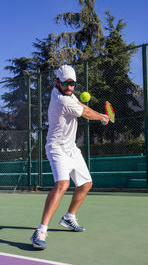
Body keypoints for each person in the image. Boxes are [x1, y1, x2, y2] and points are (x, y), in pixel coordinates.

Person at [30, 65, 110, 249]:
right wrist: (101, 117)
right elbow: (86, 113)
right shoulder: (60, 99)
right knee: (63, 184)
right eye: (66, 83)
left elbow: (80, 105)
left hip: (71, 148)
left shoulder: (68, 95)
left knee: (86, 184)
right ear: (57, 82)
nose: (69, 87)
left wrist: (100, 115)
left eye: (72, 83)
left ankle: (69, 217)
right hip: (56, 147)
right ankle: (40, 231)